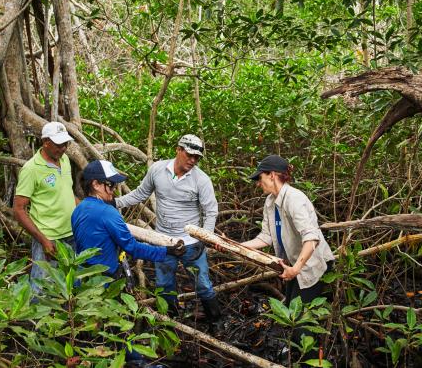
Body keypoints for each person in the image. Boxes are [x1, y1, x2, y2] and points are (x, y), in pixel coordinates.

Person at [115, 134, 221, 323]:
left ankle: (216, 322)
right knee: (164, 285)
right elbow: (140, 193)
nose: (193, 160)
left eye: (197, 157)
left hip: (191, 243)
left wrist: (205, 238)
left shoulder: (201, 179)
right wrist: (115, 203)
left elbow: (211, 212)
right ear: (178, 150)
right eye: (189, 155)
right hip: (163, 240)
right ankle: (169, 323)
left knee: (203, 284)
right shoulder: (157, 170)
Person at [240, 154, 335, 362]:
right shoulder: (270, 202)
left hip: (311, 267)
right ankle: (297, 356)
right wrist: (236, 245)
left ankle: (312, 361)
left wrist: (296, 269)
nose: (258, 183)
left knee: (301, 323)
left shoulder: (294, 199)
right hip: (294, 266)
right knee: (290, 312)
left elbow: (311, 238)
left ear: (272, 175)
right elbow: (265, 236)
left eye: (260, 177)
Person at [71, 160, 185, 281]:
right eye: (111, 184)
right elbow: (132, 247)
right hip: (103, 281)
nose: (114, 189)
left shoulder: (78, 210)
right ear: (96, 184)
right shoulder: (108, 212)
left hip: (81, 280)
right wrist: (167, 251)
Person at [14, 121, 78, 295]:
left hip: (71, 235)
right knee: (41, 288)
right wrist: (43, 240)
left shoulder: (64, 160)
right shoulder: (31, 169)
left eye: (66, 144)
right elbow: (19, 210)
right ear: (45, 142)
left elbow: (67, 194)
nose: (63, 148)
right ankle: (34, 322)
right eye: (59, 145)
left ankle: (65, 321)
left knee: (69, 284)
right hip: (49, 238)